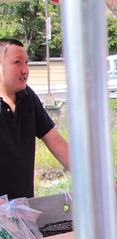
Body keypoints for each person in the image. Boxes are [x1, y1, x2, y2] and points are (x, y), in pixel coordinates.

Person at [0, 38, 70, 200]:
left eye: (26, 62)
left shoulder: (27, 97)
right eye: (17, 62)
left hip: (22, 207)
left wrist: (91, 178)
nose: (25, 70)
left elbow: (57, 143)